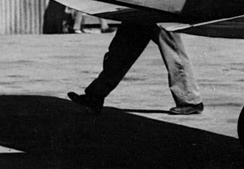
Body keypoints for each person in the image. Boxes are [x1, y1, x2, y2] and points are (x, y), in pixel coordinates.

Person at [68, 22, 203, 116]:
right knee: (120, 50)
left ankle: (190, 101)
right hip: (137, 4)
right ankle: (96, 96)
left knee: (171, 48)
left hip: (156, 2)